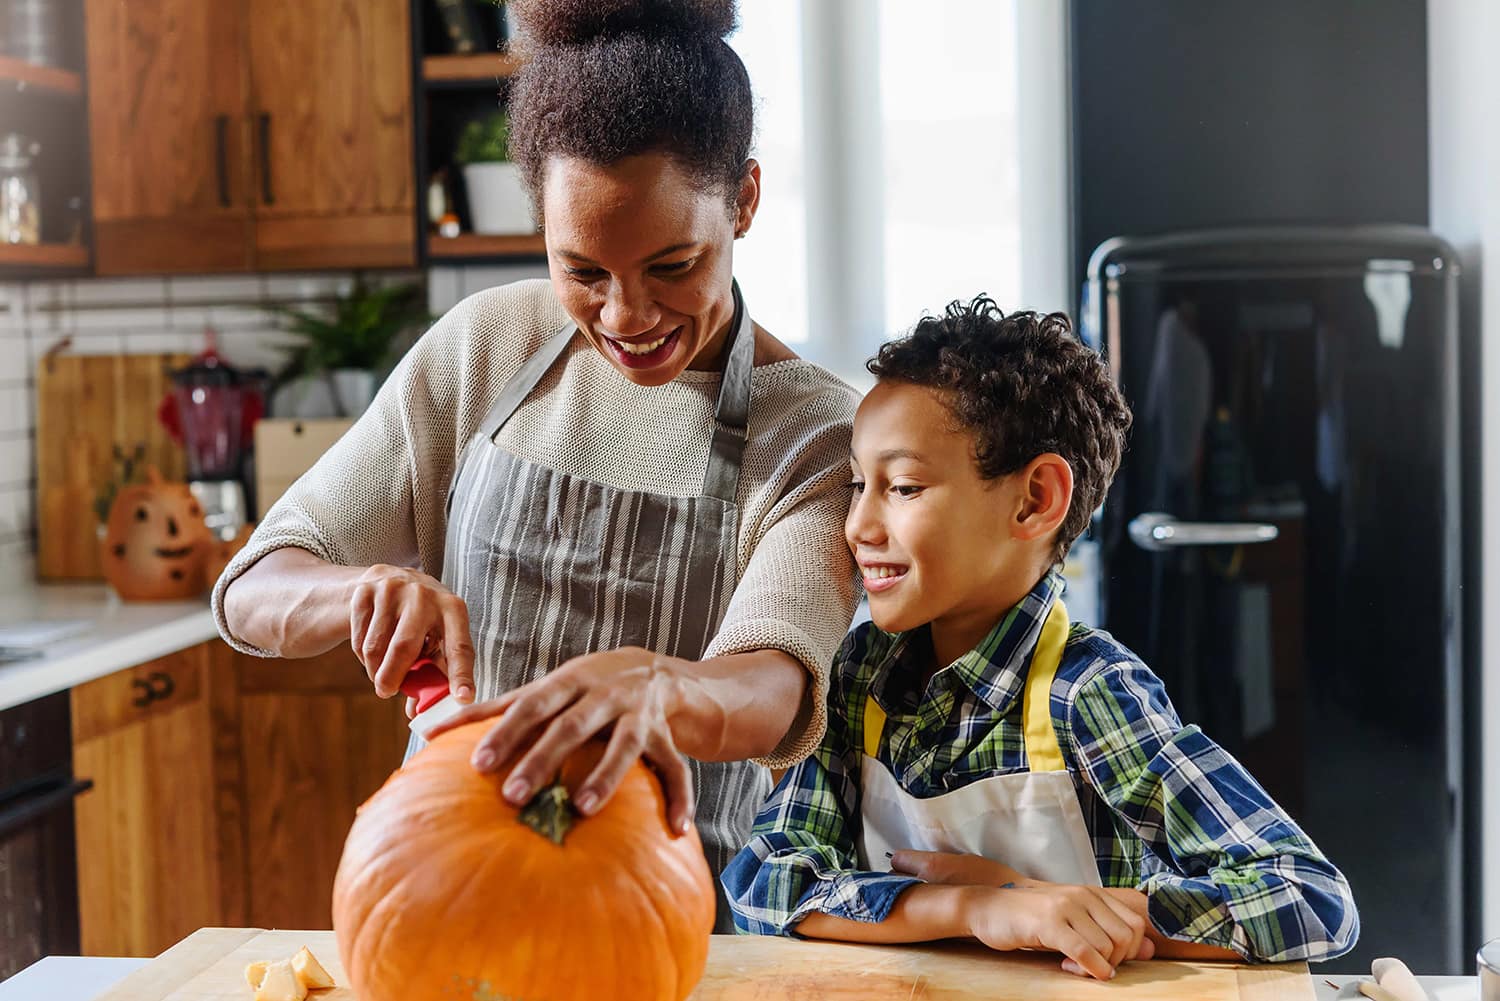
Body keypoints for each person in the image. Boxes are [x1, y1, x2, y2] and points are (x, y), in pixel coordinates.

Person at [213, 0, 860, 929]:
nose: (627, 316)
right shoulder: (488, 345)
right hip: (438, 890)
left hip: (676, 921)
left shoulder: (815, 431)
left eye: (673, 265)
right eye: (584, 271)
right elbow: (251, 587)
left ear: (745, 200)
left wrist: (661, 683)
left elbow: (777, 685)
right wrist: (360, 591)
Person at [723, 298, 1359, 977]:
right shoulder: (859, 676)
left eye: (903, 487)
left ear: (1035, 499)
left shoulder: (1089, 690)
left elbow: (1309, 896)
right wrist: (979, 905)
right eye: (858, 484)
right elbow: (766, 881)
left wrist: (1059, 907)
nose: (859, 525)